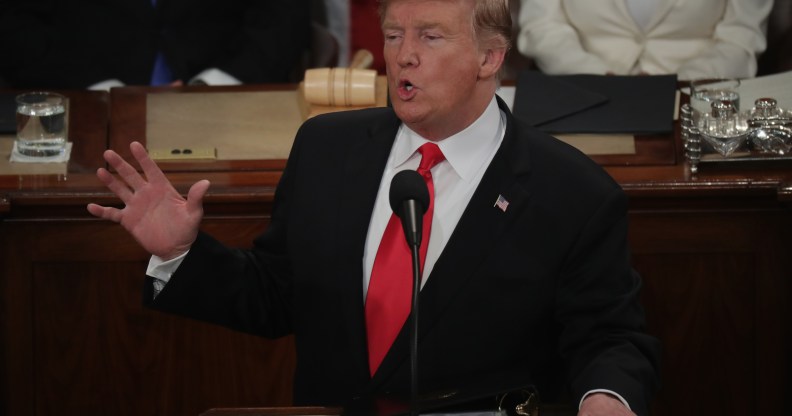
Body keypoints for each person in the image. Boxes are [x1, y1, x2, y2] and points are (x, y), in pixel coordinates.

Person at [87, 0, 661, 415]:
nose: (402, 57)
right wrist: (182, 254)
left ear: (490, 58)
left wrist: (606, 399)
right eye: (393, 35)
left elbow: (610, 337)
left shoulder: (572, 191)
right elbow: (276, 294)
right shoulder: (326, 148)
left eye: (430, 37)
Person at [0, 0, 310, 89]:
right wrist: (99, 88)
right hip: (78, 102)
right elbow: (14, 23)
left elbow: (284, 13)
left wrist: (217, 83)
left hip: (226, 96)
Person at [516, 0, 774, 80]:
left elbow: (742, 38)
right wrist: (596, 74)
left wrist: (679, 86)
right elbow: (541, 27)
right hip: (580, 91)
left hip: (699, 100)